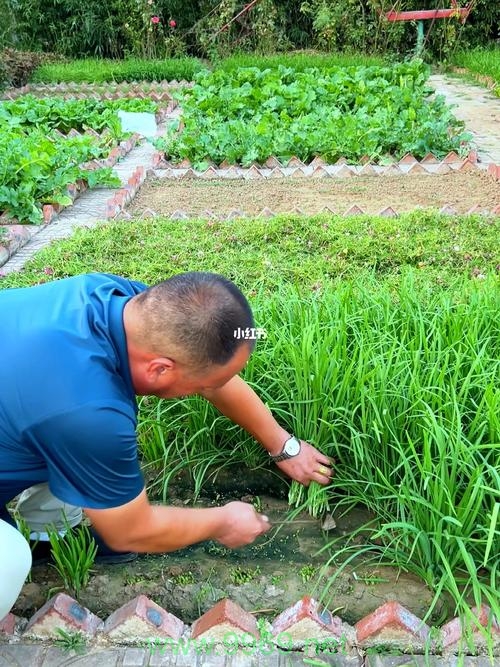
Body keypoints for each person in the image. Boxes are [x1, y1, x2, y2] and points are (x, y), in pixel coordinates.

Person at [0, 272, 333, 620]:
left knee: (70, 441)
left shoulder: (124, 302)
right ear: (159, 369)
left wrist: (283, 445)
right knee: (10, 557)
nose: (212, 387)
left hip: (23, 400)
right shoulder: (88, 412)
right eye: (205, 383)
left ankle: (51, 536)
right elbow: (131, 530)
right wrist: (223, 521)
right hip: (57, 409)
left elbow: (214, 379)